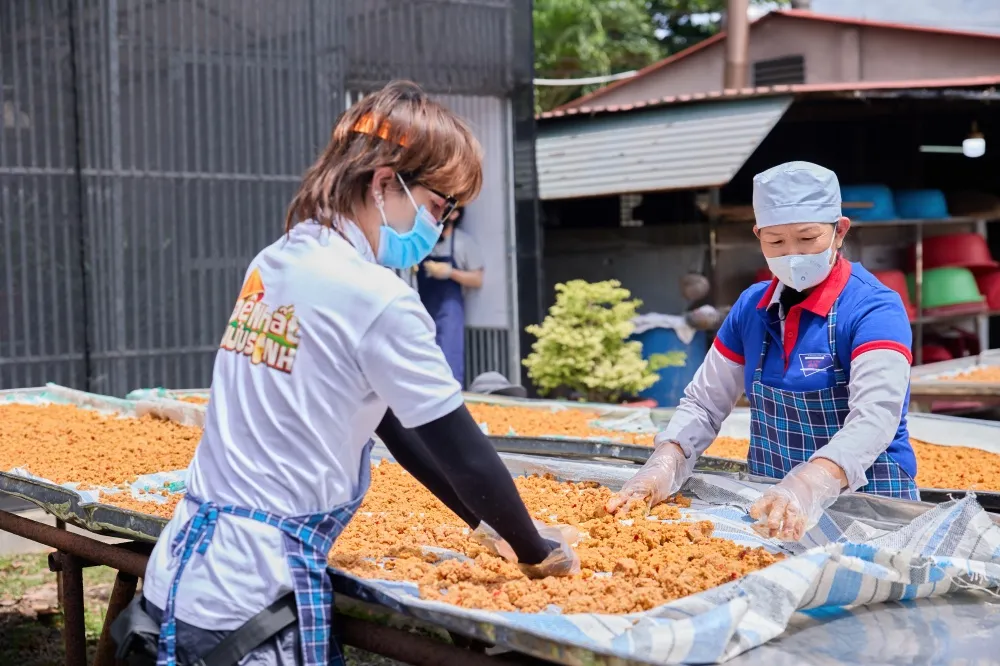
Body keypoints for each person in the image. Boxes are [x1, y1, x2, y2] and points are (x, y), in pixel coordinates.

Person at [123, 81, 578, 666]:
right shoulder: (376, 298)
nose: (439, 225)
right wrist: (535, 550)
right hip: (253, 599)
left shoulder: (279, 258)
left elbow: (399, 429)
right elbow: (464, 453)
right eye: (439, 206)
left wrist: (481, 523)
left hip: (181, 571)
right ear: (386, 182)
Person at [607, 161, 918, 542]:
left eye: (808, 239)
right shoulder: (751, 308)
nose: (792, 254)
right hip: (772, 512)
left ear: (839, 232)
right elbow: (704, 405)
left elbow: (874, 419)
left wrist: (807, 485)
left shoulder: (874, 309)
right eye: (776, 242)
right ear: (758, 236)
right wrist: (665, 462)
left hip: (872, 512)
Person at [417, 205, 484, 385]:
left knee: (449, 358)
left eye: (444, 210)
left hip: (449, 312)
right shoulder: (421, 242)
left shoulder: (463, 243)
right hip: (421, 308)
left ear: (454, 215)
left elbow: (477, 279)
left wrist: (450, 273)